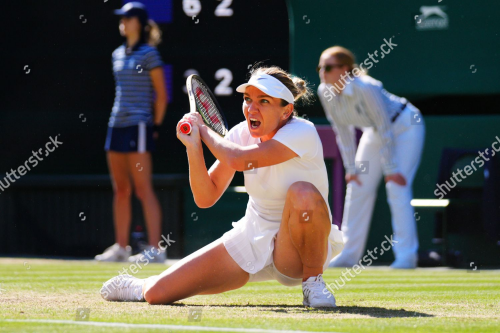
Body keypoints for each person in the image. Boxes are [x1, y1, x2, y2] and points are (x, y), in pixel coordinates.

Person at [99, 66, 344, 308]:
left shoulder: (302, 131)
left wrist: (203, 130)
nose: (252, 107)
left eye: (264, 101)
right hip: (252, 237)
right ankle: (141, 285)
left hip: (296, 255)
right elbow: (206, 197)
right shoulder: (240, 134)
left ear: (286, 111)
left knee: (303, 193)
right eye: (248, 99)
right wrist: (193, 147)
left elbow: (238, 159)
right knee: (156, 293)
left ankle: (313, 282)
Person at [317, 46, 425, 269]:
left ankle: (406, 257)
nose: (322, 72)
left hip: (405, 127)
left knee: (397, 188)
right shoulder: (323, 91)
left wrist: (391, 168)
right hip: (374, 134)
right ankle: (347, 254)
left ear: (345, 70)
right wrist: (351, 169)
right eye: (320, 67)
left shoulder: (367, 87)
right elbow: (342, 131)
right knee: (357, 186)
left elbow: (384, 125)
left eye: (328, 67)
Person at [95, 2, 168, 263]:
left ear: (137, 22)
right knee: (121, 190)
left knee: (142, 188)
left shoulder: (150, 54)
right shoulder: (116, 54)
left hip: (139, 125)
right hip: (116, 124)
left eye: (127, 18)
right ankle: (121, 247)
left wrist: (155, 127)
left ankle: (155, 249)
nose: (122, 22)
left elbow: (161, 96)